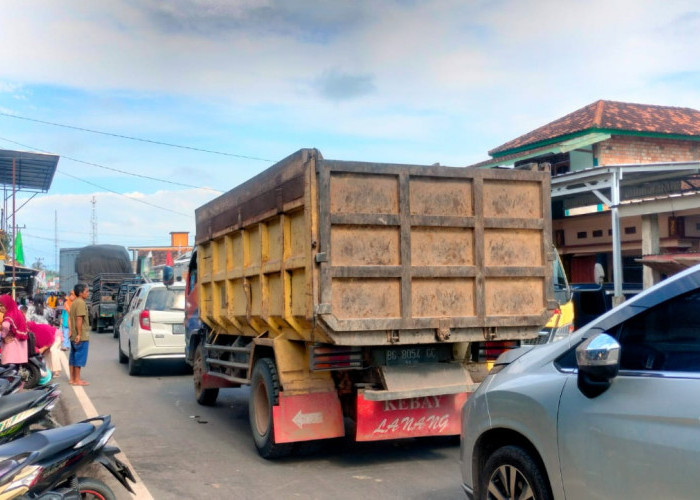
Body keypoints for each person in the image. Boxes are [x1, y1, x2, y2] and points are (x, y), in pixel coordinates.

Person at [68, 284, 90, 386]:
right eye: (86, 292)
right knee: (79, 357)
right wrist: (79, 334)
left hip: (73, 334)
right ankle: (77, 379)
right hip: (80, 335)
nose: (88, 293)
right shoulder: (81, 303)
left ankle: (72, 379)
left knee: (73, 356)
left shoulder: (74, 302)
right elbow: (79, 318)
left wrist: (72, 331)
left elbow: (70, 318)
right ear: (81, 293)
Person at [0, 295, 29, 366]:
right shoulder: (18, 312)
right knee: (17, 364)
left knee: (9, 364)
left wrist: (3, 336)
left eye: (2, 305)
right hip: (21, 341)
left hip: (12, 342)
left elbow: (5, 325)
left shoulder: (9, 314)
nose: (1, 308)